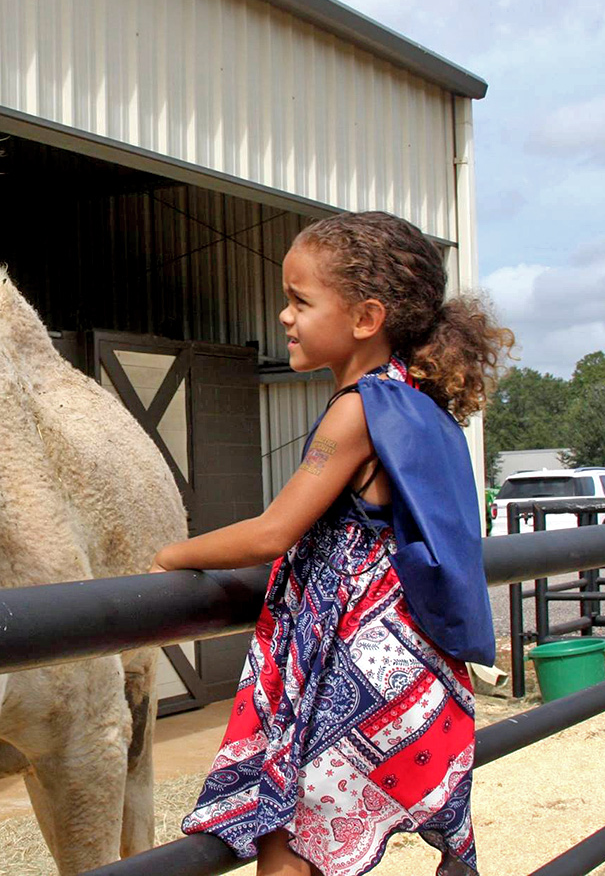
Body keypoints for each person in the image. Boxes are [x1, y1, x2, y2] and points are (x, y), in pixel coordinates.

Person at [151, 211, 514, 876]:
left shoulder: (357, 409)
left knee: (288, 850)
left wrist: (170, 555)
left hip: (358, 674)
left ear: (366, 318)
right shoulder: (419, 402)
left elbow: (273, 531)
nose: (284, 317)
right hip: (410, 668)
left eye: (299, 300)